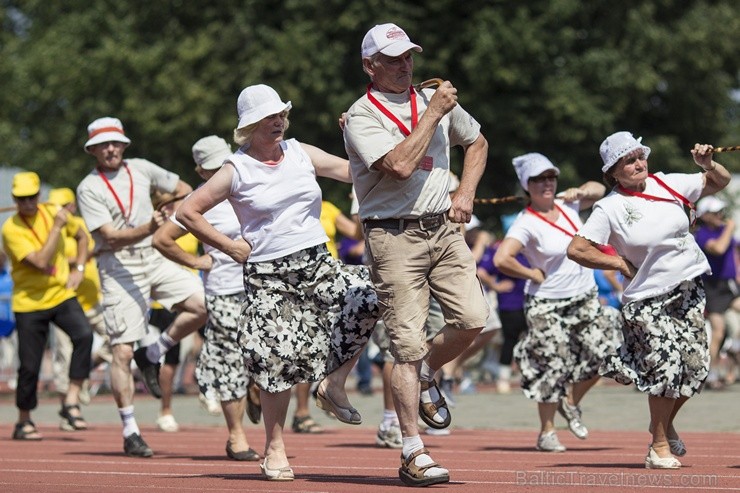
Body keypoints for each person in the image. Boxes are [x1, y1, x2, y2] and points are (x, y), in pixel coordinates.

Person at [176, 84, 378, 481]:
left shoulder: (301, 152)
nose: (279, 122)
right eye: (270, 117)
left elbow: (356, 171)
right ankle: (274, 447)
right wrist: (229, 247)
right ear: (248, 126)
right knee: (277, 360)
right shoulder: (236, 169)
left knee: (373, 296)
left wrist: (354, 138)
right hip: (269, 274)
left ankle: (334, 384)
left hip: (317, 262)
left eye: (282, 115)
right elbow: (188, 211)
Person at [343, 23, 490, 486]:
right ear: (370, 66)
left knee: (472, 319)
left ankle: (428, 372)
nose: (405, 65)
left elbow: (478, 142)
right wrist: (435, 113)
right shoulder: (362, 115)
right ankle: (412, 451)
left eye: (409, 56)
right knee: (404, 346)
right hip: (393, 236)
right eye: (393, 59)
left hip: (443, 229)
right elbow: (402, 167)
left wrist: (464, 192)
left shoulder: (431, 99)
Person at [567, 132, 732, 469]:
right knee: (666, 368)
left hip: (688, 288)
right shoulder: (610, 207)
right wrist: (617, 262)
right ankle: (658, 445)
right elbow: (577, 248)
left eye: (640, 156)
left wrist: (708, 164)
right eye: (628, 160)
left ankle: (663, 422)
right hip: (647, 298)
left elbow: (720, 182)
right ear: (613, 171)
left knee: (697, 369)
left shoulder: (667, 183)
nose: (638, 163)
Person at [76, 117, 207, 458]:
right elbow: (110, 237)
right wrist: (152, 223)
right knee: (120, 350)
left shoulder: (141, 168)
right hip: (117, 267)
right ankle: (130, 430)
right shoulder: (88, 187)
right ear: (93, 150)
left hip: (153, 257)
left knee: (203, 305)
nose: (111, 148)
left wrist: (170, 206)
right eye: (104, 144)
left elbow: (183, 189)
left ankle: (152, 353)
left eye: (116, 142)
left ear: (124, 145)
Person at [493, 152, 619, 453]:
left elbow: (599, 189)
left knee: (608, 350)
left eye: (551, 176)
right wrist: (530, 273)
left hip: (584, 296)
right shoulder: (525, 222)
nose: (547, 183)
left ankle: (571, 401)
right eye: (538, 179)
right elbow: (502, 258)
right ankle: (547, 431)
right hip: (547, 302)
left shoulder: (568, 203)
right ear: (527, 185)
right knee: (552, 365)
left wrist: (582, 191)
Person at [152, 135, 261, 461]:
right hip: (225, 291)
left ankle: (254, 385)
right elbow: (162, 239)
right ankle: (236, 437)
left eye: (222, 165)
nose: (219, 172)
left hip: (262, 285)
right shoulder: (199, 201)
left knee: (268, 358)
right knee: (229, 364)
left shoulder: (247, 183)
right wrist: (198, 262)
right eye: (212, 169)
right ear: (200, 172)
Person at [2, 172, 94, 440]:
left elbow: (82, 237)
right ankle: (24, 420)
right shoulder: (11, 229)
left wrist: (78, 266)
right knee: (29, 366)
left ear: (39, 195)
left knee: (84, 336)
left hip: (60, 294)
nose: (28, 203)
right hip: (29, 302)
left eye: (32, 197)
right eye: (21, 199)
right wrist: (56, 227)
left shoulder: (53, 210)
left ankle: (71, 402)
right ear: (15, 199)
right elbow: (41, 262)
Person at [47, 187, 111, 412]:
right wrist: (83, 256)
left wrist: (87, 254)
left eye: (62, 207)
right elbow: (53, 260)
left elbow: (96, 246)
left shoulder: (83, 226)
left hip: (93, 302)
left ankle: (89, 365)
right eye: (54, 208)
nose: (58, 212)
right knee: (63, 358)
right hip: (65, 303)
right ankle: (68, 410)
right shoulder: (51, 230)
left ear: (72, 207)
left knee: (117, 339)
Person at [694, 196, 737, 389]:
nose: (721, 215)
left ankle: (734, 346)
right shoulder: (702, 235)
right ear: (705, 216)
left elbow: (734, 252)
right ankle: (710, 375)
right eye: (715, 212)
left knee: (728, 328)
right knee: (718, 332)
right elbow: (718, 249)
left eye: (721, 211)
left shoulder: (722, 231)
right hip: (712, 287)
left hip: (727, 284)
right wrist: (729, 227)